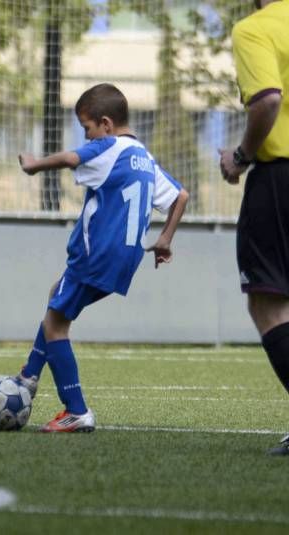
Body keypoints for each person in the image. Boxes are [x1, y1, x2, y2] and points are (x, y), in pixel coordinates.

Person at [16, 83, 190, 433]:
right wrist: (165, 239)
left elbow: (69, 159)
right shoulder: (143, 155)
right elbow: (181, 195)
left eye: (88, 129)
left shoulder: (109, 147)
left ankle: (76, 410)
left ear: (106, 124)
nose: (88, 137)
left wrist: (35, 165)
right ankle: (28, 377)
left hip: (97, 254)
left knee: (55, 324)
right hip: (127, 258)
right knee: (57, 296)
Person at [219, 0, 289, 456]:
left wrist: (240, 157)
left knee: (269, 303)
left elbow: (267, 99)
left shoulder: (255, 29)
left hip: (281, 177)